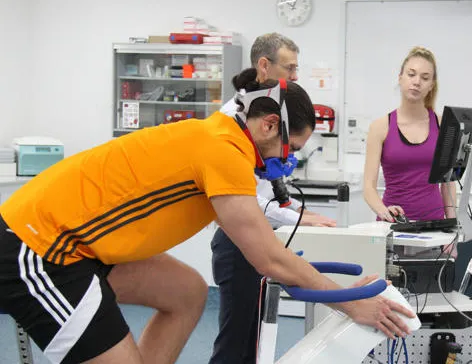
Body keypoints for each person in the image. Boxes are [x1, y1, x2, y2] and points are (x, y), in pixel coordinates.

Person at [0, 68, 413, 364]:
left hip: (87, 246)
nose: (288, 161)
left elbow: (260, 239)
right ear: (270, 125)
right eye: (291, 148)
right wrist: (350, 302)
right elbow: (268, 258)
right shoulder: (224, 151)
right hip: (41, 248)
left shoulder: (222, 137)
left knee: (187, 293)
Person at [209, 32, 336, 364]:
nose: (295, 77)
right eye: (289, 68)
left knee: (254, 343)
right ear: (264, 67)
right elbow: (246, 200)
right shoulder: (233, 122)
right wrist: (298, 217)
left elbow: (271, 188)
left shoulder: (269, 115)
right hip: (238, 240)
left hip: (260, 237)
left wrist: (295, 210)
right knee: (235, 344)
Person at [363, 46, 456, 256]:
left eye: (425, 77)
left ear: (431, 85)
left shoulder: (443, 126)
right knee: (387, 288)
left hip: (434, 230)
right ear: (400, 77)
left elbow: (448, 186)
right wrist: (383, 211)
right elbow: (368, 186)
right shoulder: (380, 126)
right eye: (411, 74)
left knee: (431, 288)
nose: (416, 82)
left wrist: (452, 234)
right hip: (391, 228)